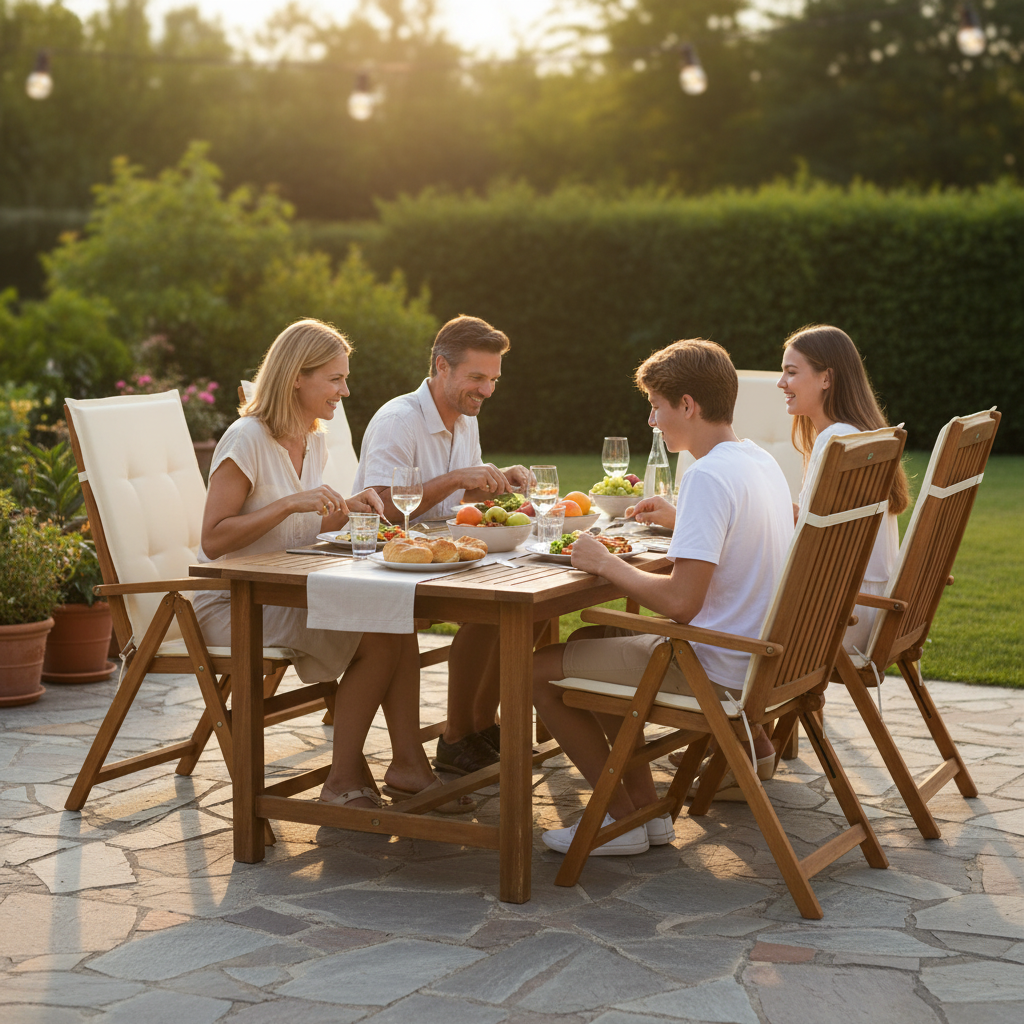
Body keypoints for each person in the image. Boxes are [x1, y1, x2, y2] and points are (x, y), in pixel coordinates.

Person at [194, 318, 472, 813]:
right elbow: (213, 540)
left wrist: (347, 511)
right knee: (379, 636)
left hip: (286, 590)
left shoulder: (312, 438)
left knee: (394, 621)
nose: (345, 391)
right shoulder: (246, 439)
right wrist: (288, 504)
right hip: (234, 603)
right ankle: (342, 781)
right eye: (335, 379)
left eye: (345, 378)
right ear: (296, 378)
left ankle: (407, 765)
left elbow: (301, 528)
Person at [532, 339, 794, 856]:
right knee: (594, 638)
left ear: (687, 405)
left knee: (535, 671)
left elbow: (680, 603)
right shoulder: (757, 460)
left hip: (716, 669)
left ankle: (616, 819)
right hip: (760, 661)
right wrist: (683, 521)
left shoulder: (707, 474)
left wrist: (604, 562)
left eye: (656, 406)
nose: (652, 420)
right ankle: (644, 813)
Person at [353, 314, 530, 775]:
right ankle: (456, 736)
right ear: (442, 366)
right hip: (389, 567)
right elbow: (383, 507)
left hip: (442, 557)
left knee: (520, 601)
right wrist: (456, 478)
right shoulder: (398, 420)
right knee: (493, 607)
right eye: (477, 377)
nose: (487, 390)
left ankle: (477, 726)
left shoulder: (465, 418)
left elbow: (456, 498)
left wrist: (496, 483)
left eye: (493, 380)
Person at [777, 324, 910, 653]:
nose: (781, 383)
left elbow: (809, 547)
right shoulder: (860, 435)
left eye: (791, 372)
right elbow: (832, 527)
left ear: (826, 378)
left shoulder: (836, 441)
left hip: (842, 614)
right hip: (871, 606)